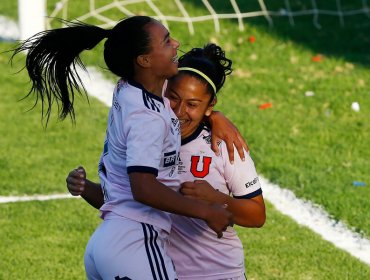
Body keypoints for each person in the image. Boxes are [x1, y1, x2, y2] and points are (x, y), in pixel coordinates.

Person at [11, 16, 237, 279]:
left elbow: (177, 90)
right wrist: (206, 210)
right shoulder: (147, 118)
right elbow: (143, 187)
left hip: (108, 241)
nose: (176, 43)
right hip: (136, 241)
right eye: (166, 41)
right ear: (144, 60)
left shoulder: (129, 89)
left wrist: (214, 115)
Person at [67, 43, 266, 280]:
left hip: (217, 273)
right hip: (156, 266)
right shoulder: (149, 137)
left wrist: (217, 199)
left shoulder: (224, 145)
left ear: (210, 106)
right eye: (173, 97)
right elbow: (131, 205)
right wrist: (86, 189)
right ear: (164, 90)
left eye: (193, 104)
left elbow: (257, 215)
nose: (180, 110)